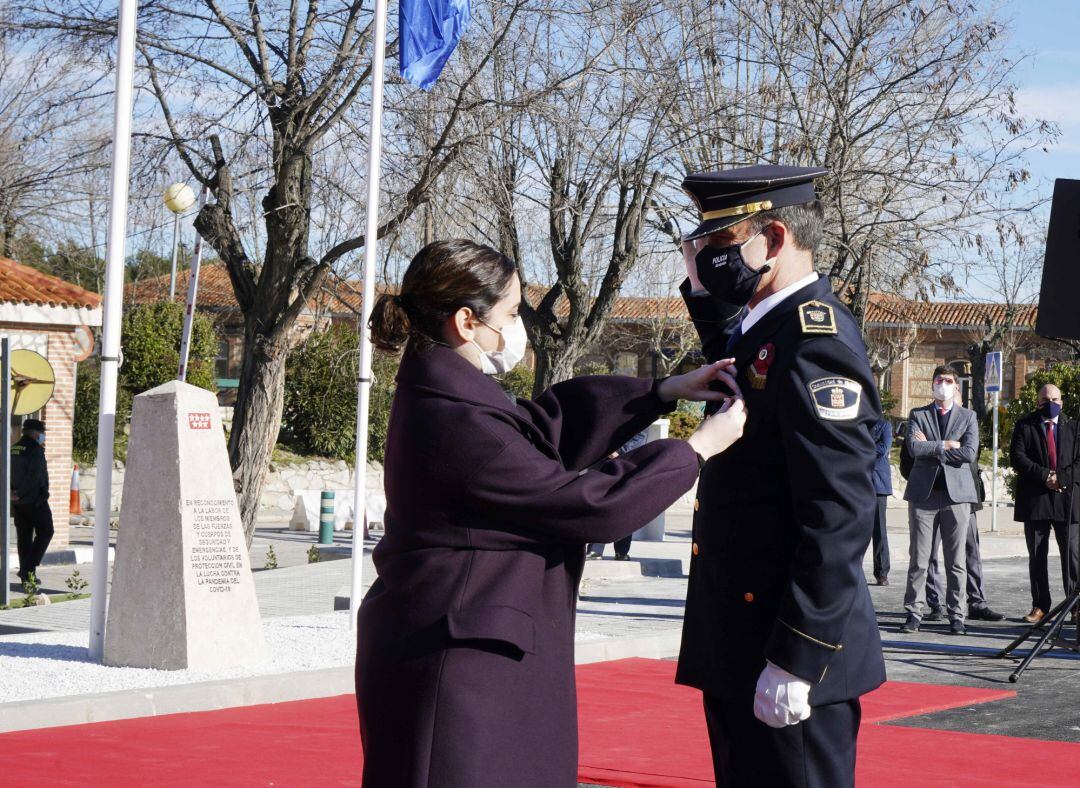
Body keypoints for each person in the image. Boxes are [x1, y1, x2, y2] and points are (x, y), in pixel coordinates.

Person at [354, 239, 748, 787]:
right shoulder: (454, 418)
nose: (517, 329)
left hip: (456, 641)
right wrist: (694, 449)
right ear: (466, 321)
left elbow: (540, 431)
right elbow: (583, 505)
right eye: (511, 314)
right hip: (459, 663)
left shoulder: (447, 390)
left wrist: (662, 392)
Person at [676, 165, 884, 787]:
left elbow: (840, 509)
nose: (709, 259)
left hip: (787, 647)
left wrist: (798, 654)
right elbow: (746, 363)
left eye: (719, 245)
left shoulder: (816, 338)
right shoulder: (767, 325)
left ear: (772, 239)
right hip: (743, 637)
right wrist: (701, 291)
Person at [901, 366, 979, 635]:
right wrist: (947, 445)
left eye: (948, 381)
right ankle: (914, 612)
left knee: (956, 562)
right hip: (924, 495)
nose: (942, 385)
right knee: (920, 559)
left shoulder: (968, 416)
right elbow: (914, 448)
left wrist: (932, 446)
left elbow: (969, 453)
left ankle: (957, 615)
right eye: (938, 380)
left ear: (956, 387)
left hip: (957, 497)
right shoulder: (918, 414)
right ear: (932, 385)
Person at [925, 416, 1006, 622]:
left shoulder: (968, 424)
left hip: (966, 497)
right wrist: (945, 448)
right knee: (930, 553)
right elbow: (912, 459)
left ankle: (977, 602)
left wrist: (936, 450)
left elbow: (971, 455)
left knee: (971, 552)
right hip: (932, 497)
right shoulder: (925, 423)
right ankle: (935, 604)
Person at [1010, 384, 1079, 624]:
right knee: (1037, 555)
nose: (1050, 402)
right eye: (1045, 398)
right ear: (1037, 401)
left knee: (1071, 554)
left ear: (1062, 400)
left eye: (1055, 398)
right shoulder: (1025, 425)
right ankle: (1040, 606)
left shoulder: (1074, 426)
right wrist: (1045, 475)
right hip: (1036, 497)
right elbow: (1017, 457)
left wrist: (1060, 477)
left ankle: (1075, 606)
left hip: (1067, 499)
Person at [587, 430, 650, 560]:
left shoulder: (642, 418)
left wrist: (617, 454)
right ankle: (595, 549)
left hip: (626, 464)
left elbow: (638, 440)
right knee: (600, 505)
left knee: (626, 507)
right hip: (603, 464)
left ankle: (621, 551)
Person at [10, 418, 53, 588]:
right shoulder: (35, 450)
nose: (43, 436)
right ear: (35, 433)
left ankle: (27, 577)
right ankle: (27, 568)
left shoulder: (13, 449)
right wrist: (21, 493)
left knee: (24, 538)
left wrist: (12, 493)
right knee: (46, 531)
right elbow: (34, 477)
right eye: (42, 433)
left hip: (17, 502)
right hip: (35, 500)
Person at [870, 417, 893, 585]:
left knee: (879, 530)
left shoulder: (884, 425)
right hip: (857, 483)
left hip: (878, 484)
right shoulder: (857, 424)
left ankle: (882, 572)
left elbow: (883, 448)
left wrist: (860, 447)